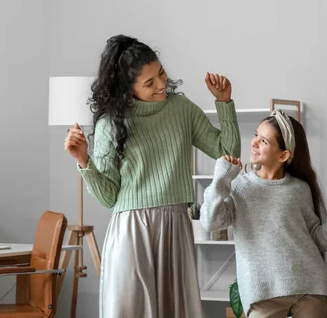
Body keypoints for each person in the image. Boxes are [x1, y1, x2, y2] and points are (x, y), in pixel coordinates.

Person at [63, 34, 241, 318]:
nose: (161, 85)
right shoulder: (112, 123)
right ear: (127, 88)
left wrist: (225, 102)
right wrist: (84, 160)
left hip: (175, 224)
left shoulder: (180, 109)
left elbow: (227, 151)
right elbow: (110, 197)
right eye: (149, 82)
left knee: (176, 309)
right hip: (132, 230)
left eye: (161, 73)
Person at [201, 110, 327, 318]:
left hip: (309, 285)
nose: (253, 143)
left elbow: (318, 239)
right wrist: (221, 180)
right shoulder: (240, 186)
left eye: (263, 141)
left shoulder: (299, 189)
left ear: (283, 155)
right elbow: (211, 222)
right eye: (255, 135)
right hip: (263, 291)